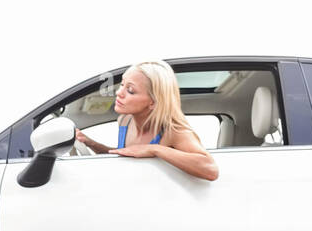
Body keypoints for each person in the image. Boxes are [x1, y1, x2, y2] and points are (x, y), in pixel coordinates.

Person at [74, 59, 219, 182]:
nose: (119, 92)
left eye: (130, 90)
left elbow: (211, 169)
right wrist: (90, 143)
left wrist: (154, 149)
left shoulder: (174, 131)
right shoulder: (125, 120)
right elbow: (124, 155)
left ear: (153, 102)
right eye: (122, 85)